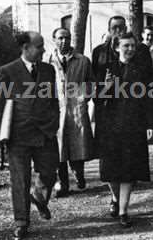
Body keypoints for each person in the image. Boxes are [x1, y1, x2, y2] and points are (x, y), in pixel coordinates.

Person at [0, 31, 60, 240]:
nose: (43, 50)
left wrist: (54, 119)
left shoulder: (48, 70)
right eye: (39, 46)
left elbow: (53, 99)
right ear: (26, 48)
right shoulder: (7, 71)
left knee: (49, 171)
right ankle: (21, 222)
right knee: (20, 179)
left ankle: (38, 196)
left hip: (45, 131)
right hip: (19, 134)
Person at [96, 32, 153, 228]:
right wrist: (104, 87)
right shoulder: (107, 69)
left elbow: (150, 99)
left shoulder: (143, 69)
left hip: (134, 124)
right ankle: (115, 198)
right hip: (110, 125)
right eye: (126, 46)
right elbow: (96, 99)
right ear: (116, 48)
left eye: (133, 46)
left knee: (129, 170)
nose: (130, 49)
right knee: (111, 171)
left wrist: (150, 124)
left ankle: (123, 211)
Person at [92, 16, 153, 145]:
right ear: (109, 30)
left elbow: (150, 85)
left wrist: (151, 123)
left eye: (121, 27)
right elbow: (95, 84)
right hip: (108, 115)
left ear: (126, 28)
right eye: (114, 28)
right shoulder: (99, 52)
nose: (118, 31)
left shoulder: (141, 50)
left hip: (134, 114)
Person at [49, 28, 95, 198]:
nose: (64, 41)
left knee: (78, 143)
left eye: (67, 38)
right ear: (54, 39)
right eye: (60, 38)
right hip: (57, 108)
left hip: (76, 107)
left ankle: (79, 174)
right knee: (59, 147)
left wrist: (84, 97)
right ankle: (62, 183)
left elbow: (90, 81)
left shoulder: (82, 60)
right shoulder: (48, 61)